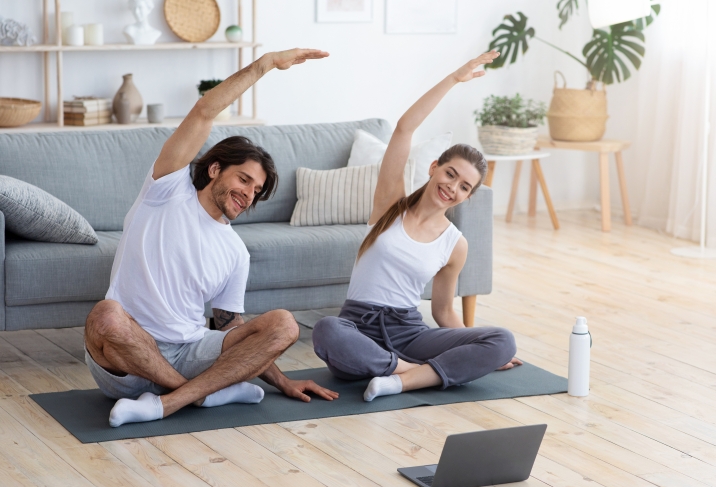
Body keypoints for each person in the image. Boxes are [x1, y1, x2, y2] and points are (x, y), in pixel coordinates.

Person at [84, 48, 339, 428]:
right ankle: (203, 394)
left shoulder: (235, 250)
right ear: (216, 169)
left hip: (192, 351)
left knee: (284, 324)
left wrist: (282, 381)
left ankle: (170, 402)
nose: (248, 194)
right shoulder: (167, 189)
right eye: (243, 180)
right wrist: (265, 64)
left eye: (257, 190)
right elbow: (205, 110)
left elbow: (228, 327)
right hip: (130, 358)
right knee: (105, 316)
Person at [312, 51, 522, 402]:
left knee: (503, 340)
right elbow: (405, 127)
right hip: (357, 329)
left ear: (468, 196)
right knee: (326, 330)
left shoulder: (455, 244)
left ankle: (397, 381)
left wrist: (483, 349)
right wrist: (454, 78)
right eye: (450, 173)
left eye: (464, 186)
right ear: (434, 167)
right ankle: (411, 372)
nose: (452, 187)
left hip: (410, 333)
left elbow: (442, 311)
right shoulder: (390, 205)